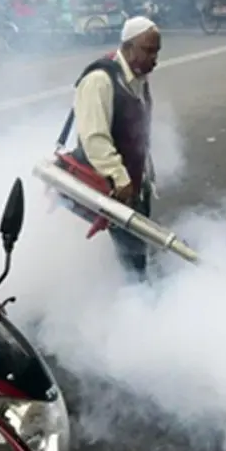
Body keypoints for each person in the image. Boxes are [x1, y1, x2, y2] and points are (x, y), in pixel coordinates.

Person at [67, 16, 160, 276]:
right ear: (128, 48)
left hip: (132, 183)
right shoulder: (100, 80)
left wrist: (144, 177)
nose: (155, 59)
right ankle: (137, 301)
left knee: (135, 247)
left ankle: (136, 290)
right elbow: (94, 137)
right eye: (148, 51)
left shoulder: (137, 77)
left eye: (157, 52)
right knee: (132, 255)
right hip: (114, 186)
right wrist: (121, 178)